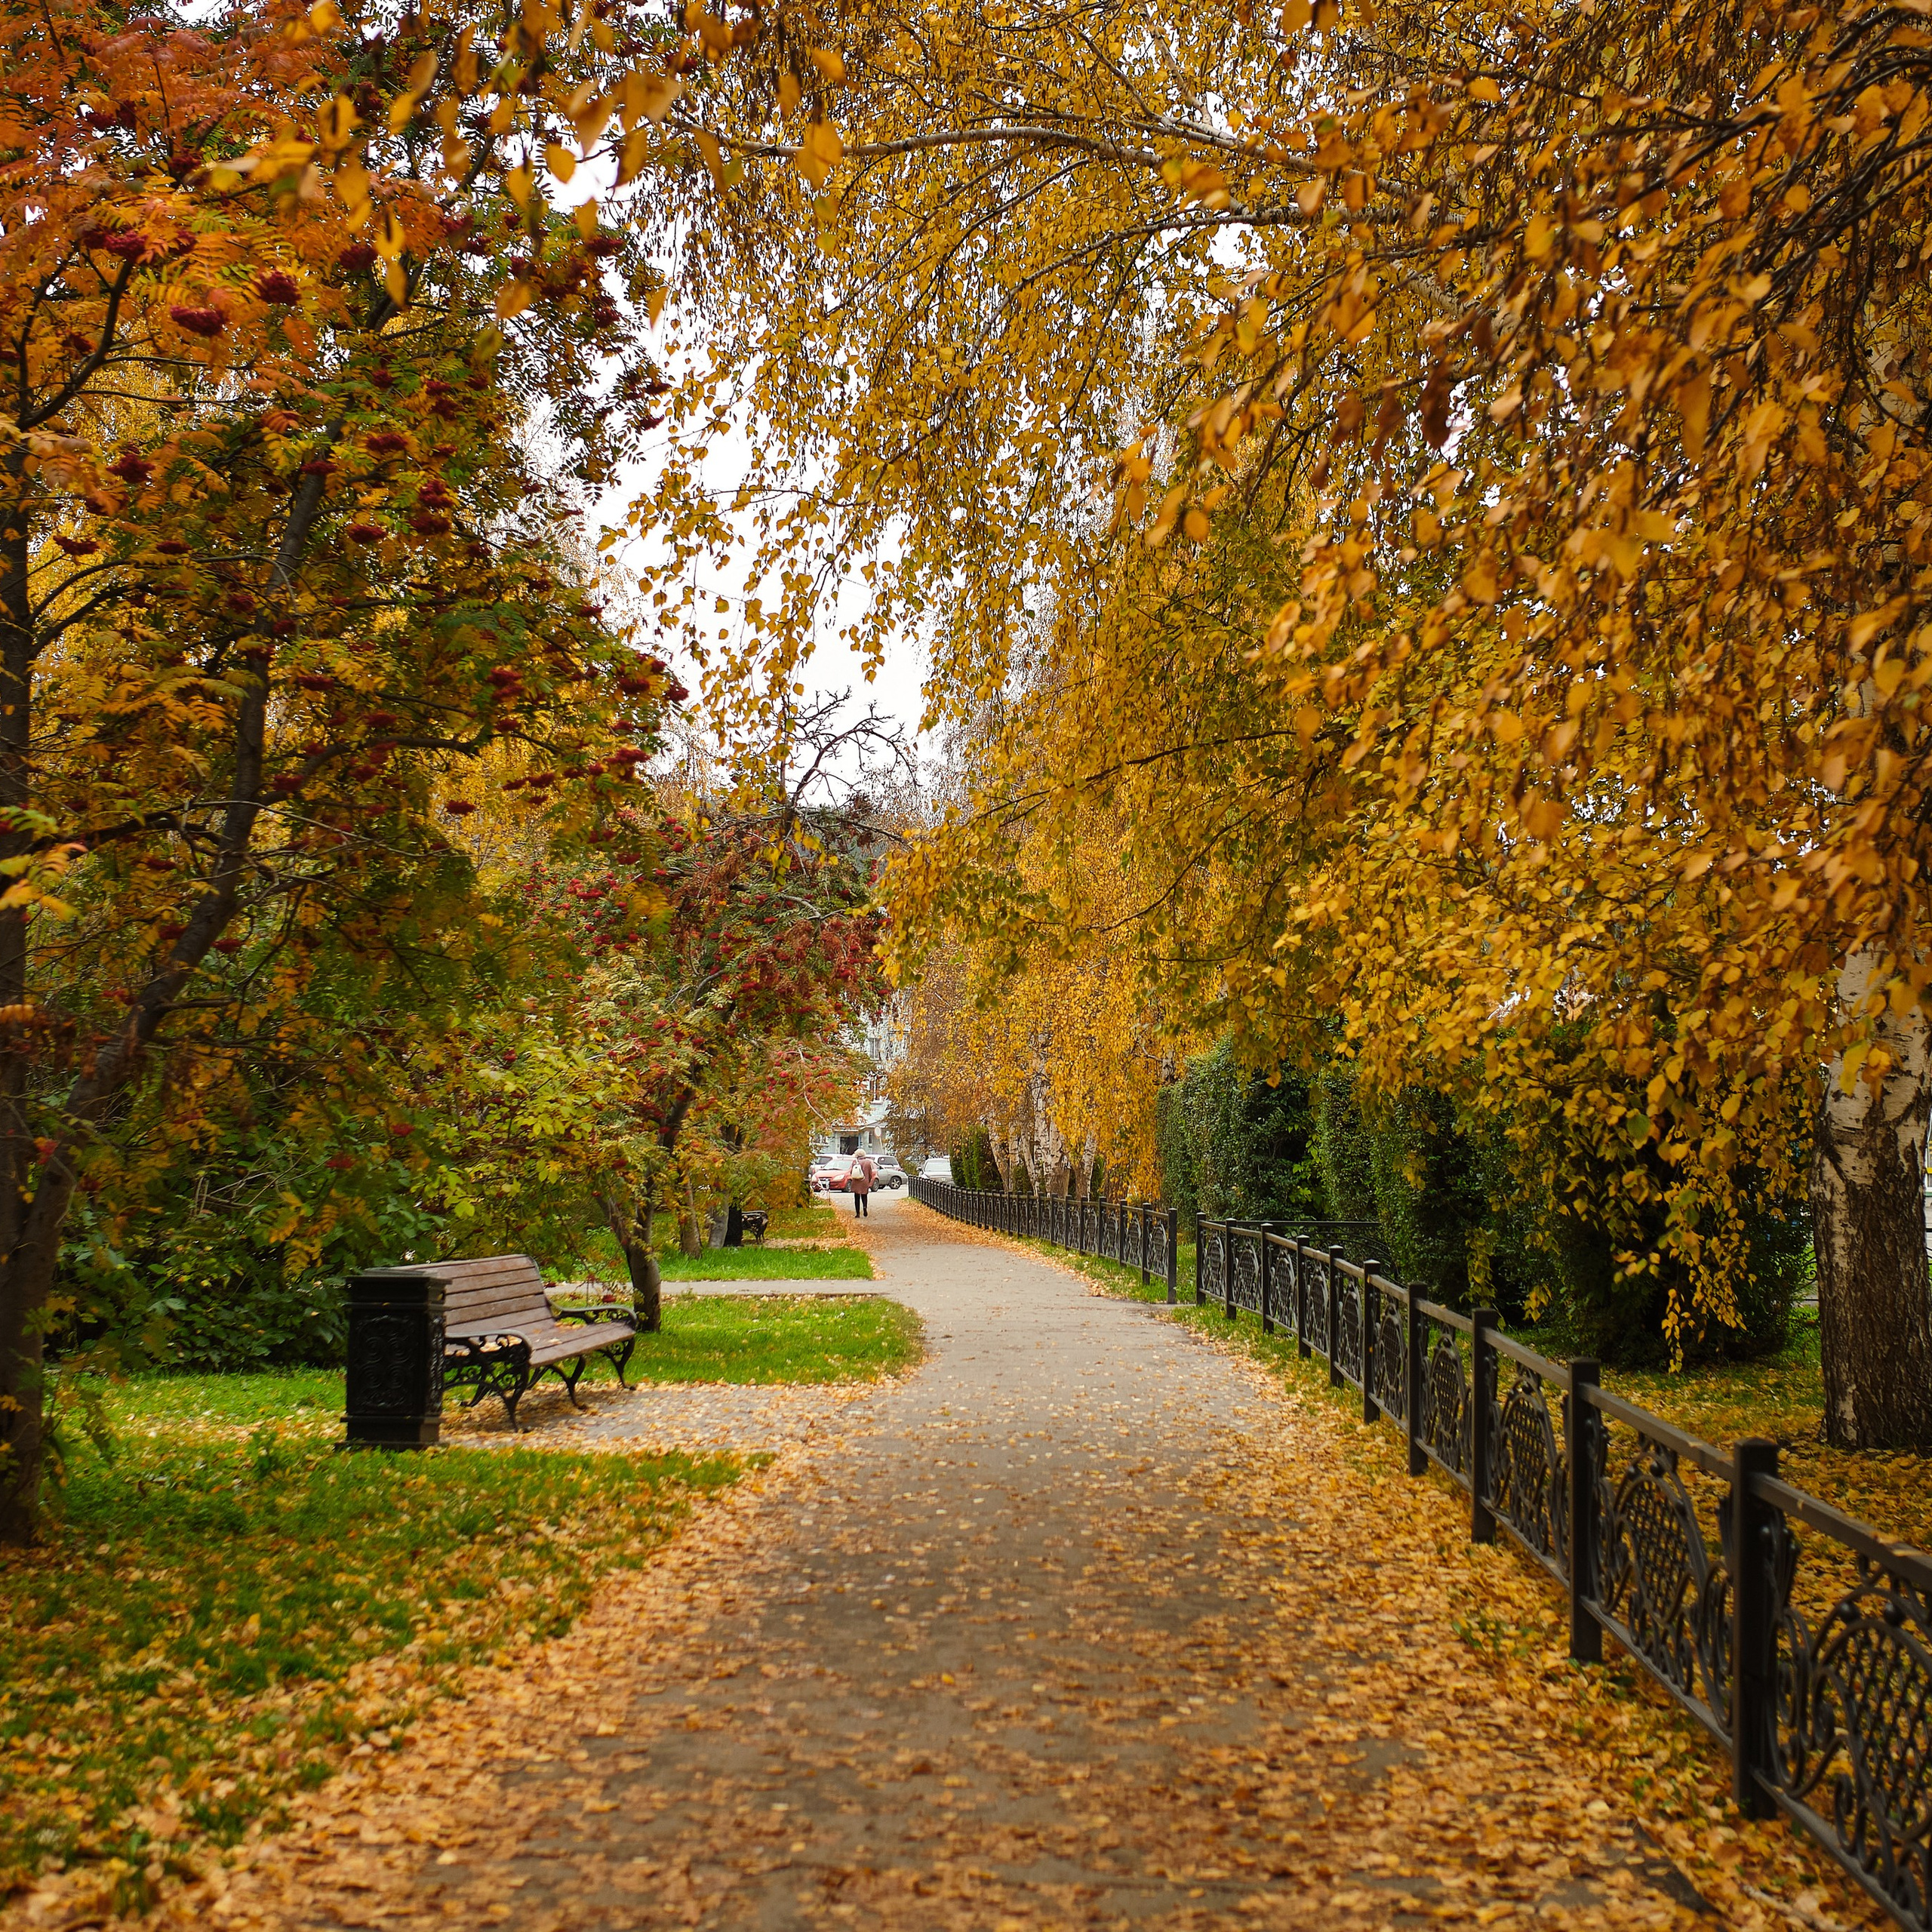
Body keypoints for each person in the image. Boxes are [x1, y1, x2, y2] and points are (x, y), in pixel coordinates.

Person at [849, 1152, 875, 1217]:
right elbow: (870, 1173)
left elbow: (851, 1172)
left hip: (856, 1181)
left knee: (857, 1197)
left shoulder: (855, 1162)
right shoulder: (868, 1162)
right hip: (864, 1181)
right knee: (864, 1196)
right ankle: (864, 1207)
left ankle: (858, 1213)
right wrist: (869, 1181)